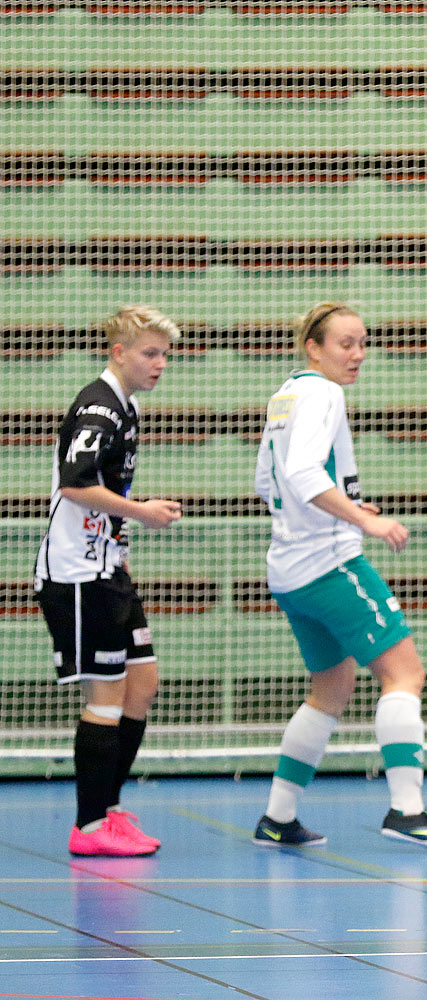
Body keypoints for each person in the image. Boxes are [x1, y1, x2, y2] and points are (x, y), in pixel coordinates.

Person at [251, 302, 427, 852]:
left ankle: (278, 817)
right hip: (329, 564)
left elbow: (266, 481)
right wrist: (363, 518)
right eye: (346, 343)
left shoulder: (285, 395)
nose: (358, 354)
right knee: (405, 673)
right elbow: (300, 474)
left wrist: (340, 503)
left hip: (289, 568)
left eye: (362, 342)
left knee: (331, 689)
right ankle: (407, 809)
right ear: (313, 347)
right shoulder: (323, 393)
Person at [35, 305, 184, 857]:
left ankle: (110, 806)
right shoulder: (98, 406)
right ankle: (90, 826)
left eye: (165, 354)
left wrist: (119, 545)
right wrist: (142, 512)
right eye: (150, 353)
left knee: (143, 684)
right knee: (107, 694)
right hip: (75, 574)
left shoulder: (128, 405)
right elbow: (75, 484)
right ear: (117, 352)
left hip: (105, 566)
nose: (160, 363)